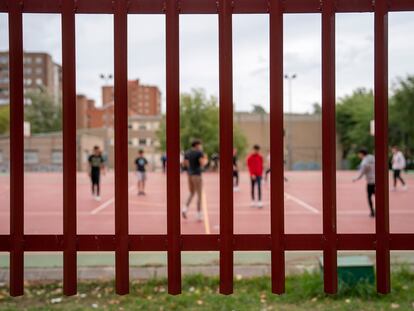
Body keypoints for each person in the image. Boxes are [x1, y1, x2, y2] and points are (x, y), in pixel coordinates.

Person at [182, 139, 208, 221]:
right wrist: (206, 159)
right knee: (199, 195)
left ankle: (185, 208)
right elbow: (202, 163)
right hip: (197, 175)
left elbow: (184, 163)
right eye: (200, 145)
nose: (200, 146)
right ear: (197, 145)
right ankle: (199, 214)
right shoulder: (199, 152)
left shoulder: (187, 152)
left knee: (192, 192)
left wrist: (190, 167)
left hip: (189, 175)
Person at [352, 148, 375, 218]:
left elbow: (361, 173)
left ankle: (372, 212)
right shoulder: (372, 157)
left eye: (359, 154)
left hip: (370, 181)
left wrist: (355, 179)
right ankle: (379, 210)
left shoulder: (364, 162)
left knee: (369, 196)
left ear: (362, 154)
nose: (358, 155)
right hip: (377, 180)